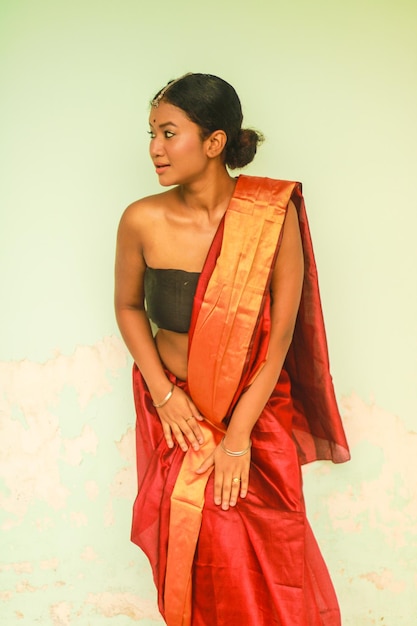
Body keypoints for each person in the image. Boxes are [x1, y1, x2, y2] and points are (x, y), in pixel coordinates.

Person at [114, 72, 350, 626]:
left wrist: (240, 438)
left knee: (266, 559)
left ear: (215, 142)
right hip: (179, 419)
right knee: (192, 553)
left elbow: (281, 340)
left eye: (169, 133)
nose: (155, 148)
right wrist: (163, 395)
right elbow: (128, 309)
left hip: (255, 416)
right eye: (151, 133)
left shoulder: (270, 215)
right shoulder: (142, 219)